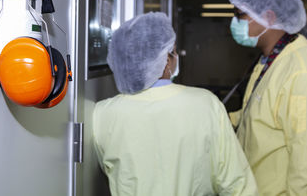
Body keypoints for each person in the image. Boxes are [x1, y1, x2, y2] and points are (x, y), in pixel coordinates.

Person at [92, 12, 258, 196]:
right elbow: (236, 183)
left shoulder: (103, 113)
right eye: (175, 51)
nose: (177, 56)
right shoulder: (205, 103)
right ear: (166, 61)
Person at [228, 0, 307, 195]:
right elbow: (261, 114)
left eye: (240, 15)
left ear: (267, 17)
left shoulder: (303, 75)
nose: (235, 22)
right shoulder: (272, 60)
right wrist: (213, 117)